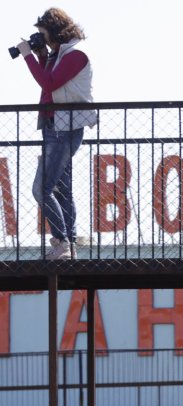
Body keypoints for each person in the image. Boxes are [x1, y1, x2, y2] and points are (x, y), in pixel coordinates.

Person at [17, 8, 98, 261]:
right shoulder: (59, 55)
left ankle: (63, 242)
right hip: (54, 125)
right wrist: (41, 57)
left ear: (54, 30)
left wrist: (28, 56)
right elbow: (50, 83)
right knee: (61, 189)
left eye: (43, 34)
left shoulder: (76, 55)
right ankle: (68, 244)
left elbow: (49, 84)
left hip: (67, 127)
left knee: (41, 188)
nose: (42, 39)